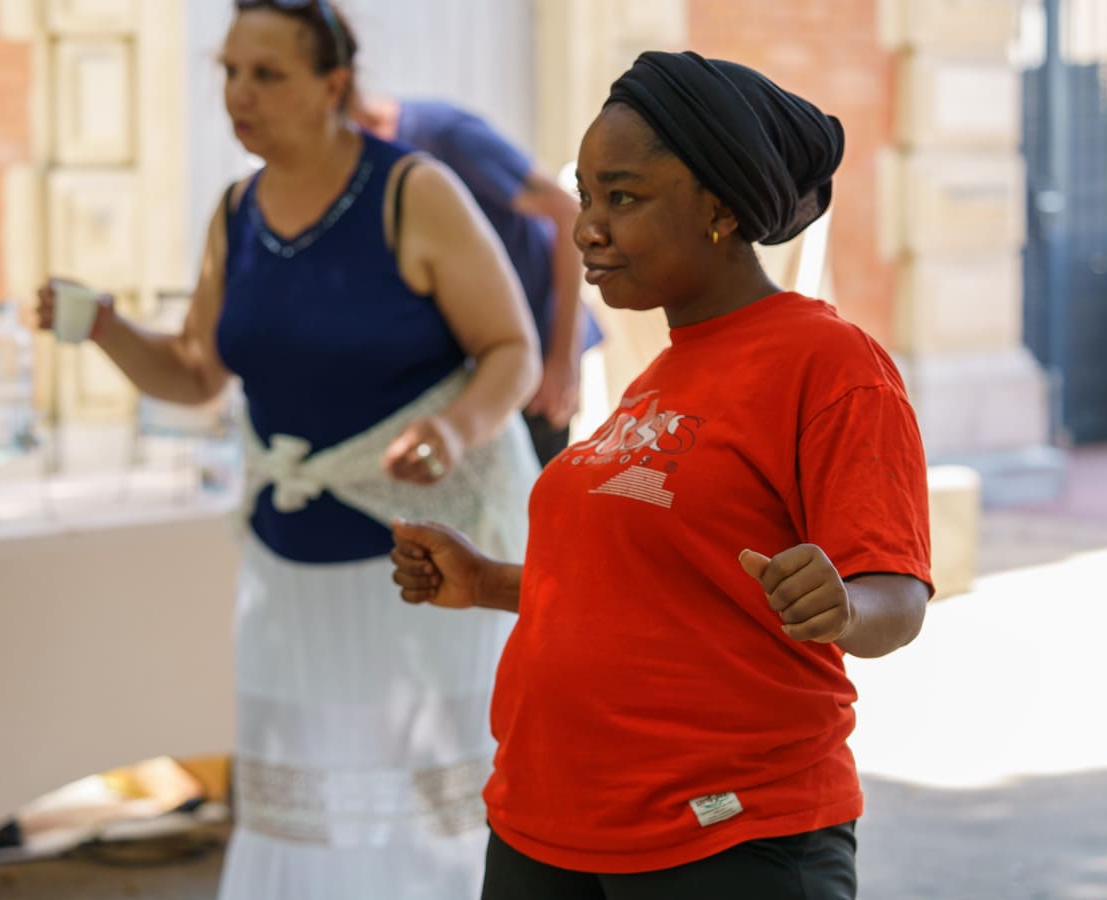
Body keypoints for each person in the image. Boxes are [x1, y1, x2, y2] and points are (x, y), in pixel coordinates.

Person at [391, 51, 934, 900]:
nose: (586, 228)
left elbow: (896, 596)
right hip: (546, 824)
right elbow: (652, 587)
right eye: (585, 197)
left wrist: (847, 607)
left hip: (725, 833)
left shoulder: (829, 363)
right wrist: (489, 582)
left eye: (623, 197)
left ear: (718, 209)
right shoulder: (657, 378)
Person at [36, 2, 541, 897]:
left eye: (266, 75)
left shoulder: (413, 192)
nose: (240, 94)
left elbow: (513, 349)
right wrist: (107, 327)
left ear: (332, 85)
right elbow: (196, 373)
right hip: (287, 570)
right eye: (229, 72)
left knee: (424, 803)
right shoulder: (236, 211)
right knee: (301, 799)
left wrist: (452, 430)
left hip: (418, 566)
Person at [356, 95, 601, 465]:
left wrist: (562, 359)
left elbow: (566, 213)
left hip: (535, 360)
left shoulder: (444, 135)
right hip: (474, 372)